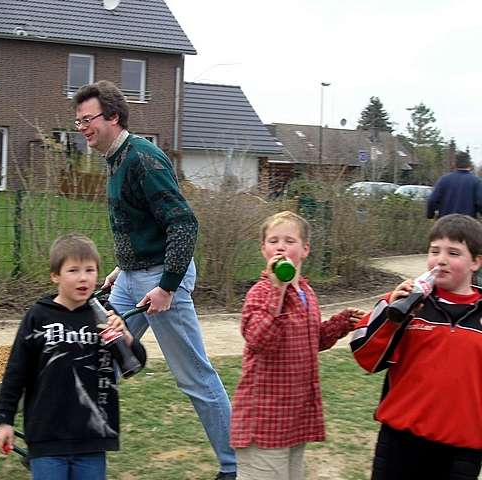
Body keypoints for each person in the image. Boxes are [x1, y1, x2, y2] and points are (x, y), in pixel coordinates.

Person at [72, 80, 237, 479]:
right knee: (102, 360)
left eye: (87, 119)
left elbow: (183, 224)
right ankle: (75, 450)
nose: (82, 128)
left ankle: (236, 466)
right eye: (77, 122)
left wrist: (167, 287)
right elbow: (142, 224)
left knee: (195, 376)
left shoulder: (143, 159)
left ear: (112, 116)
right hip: (132, 277)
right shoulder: (115, 158)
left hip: (161, 280)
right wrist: (122, 265)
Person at [0, 233, 147, 480]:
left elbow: (135, 364)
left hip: (92, 436)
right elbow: (16, 370)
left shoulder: (105, 316)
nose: (83, 277)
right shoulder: (38, 316)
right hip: (46, 435)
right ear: (55, 275)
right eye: (73, 270)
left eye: (90, 270)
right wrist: (5, 420)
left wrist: (126, 336)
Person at [230, 211, 364, 480]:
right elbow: (259, 340)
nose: (280, 246)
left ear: (305, 250)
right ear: (263, 249)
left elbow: (310, 340)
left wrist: (340, 324)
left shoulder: (306, 292)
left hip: (295, 417)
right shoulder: (260, 292)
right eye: (273, 241)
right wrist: (277, 290)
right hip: (265, 420)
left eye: (289, 241)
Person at [350, 214, 482, 480]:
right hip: (401, 441)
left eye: (454, 252)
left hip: (462, 448)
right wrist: (390, 308)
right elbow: (365, 356)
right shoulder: (410, 304)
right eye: (435, 251)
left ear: (476, 262)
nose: (441, 260)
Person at [427, 150, 482, 219]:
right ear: (469, 164)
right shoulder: (476, 181)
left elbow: (432, 200)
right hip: (467, 224)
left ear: (455, 164)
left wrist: (430, 215)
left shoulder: (444, 179)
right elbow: (480, 202)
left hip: (445, 223)